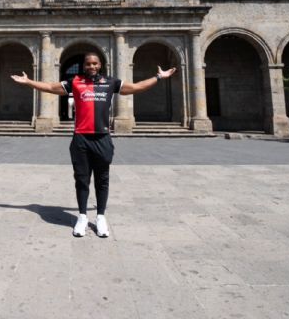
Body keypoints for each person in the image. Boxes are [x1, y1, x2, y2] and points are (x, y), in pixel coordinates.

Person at [11, 52, 176, 237]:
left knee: (102, 179)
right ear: (84, 66)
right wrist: (28, 82)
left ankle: (100, 217)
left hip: (102, 138)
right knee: (81, 179)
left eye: (95, 63)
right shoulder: (75, 82)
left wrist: (159, 77)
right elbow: (50, 87)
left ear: (100, 65)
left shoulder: (110, 82)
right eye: (88, 64)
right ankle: (82, 217)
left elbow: (136, 87)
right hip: (81, 138)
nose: (92, 66)